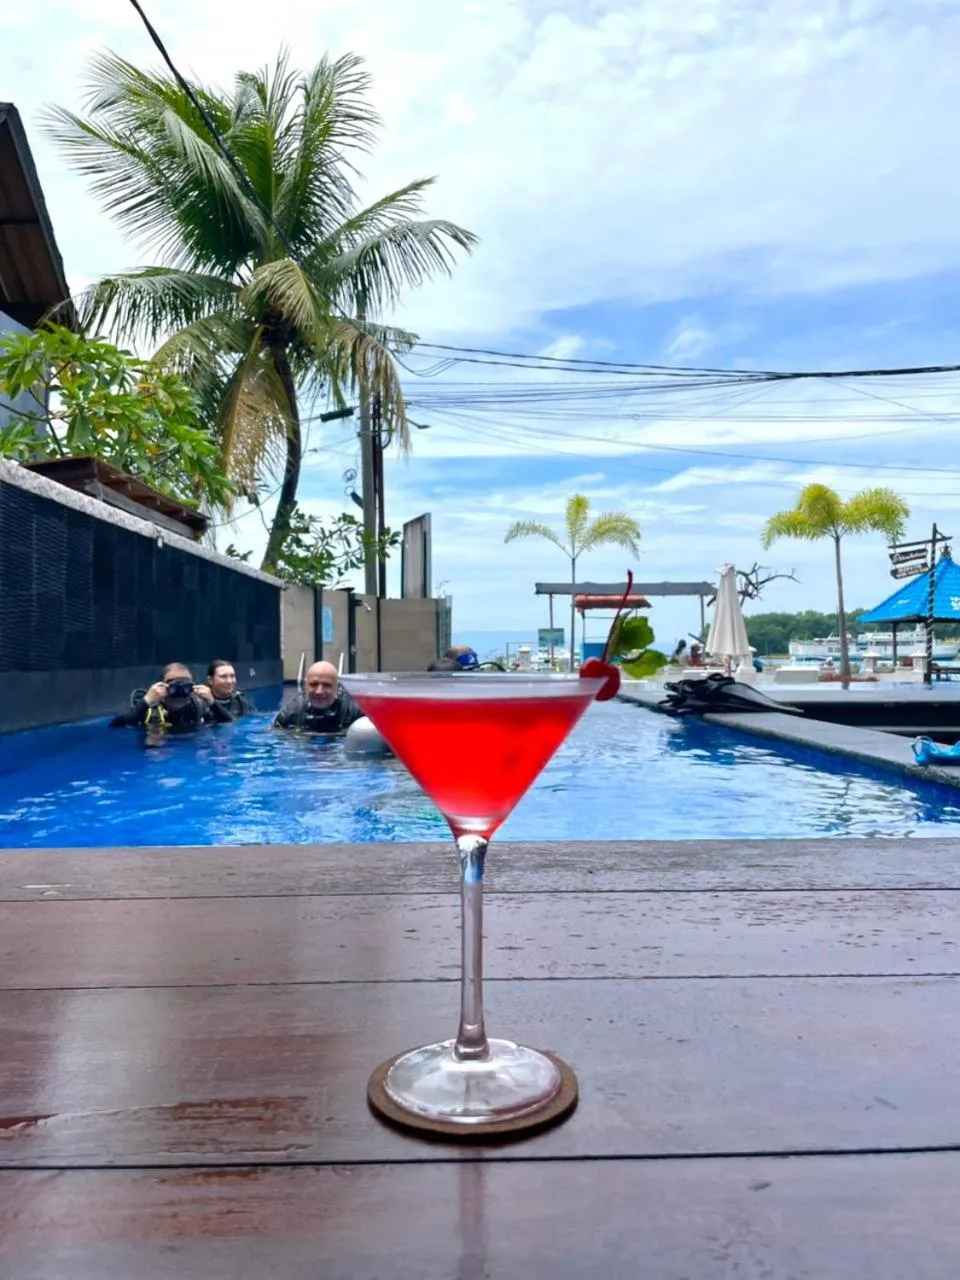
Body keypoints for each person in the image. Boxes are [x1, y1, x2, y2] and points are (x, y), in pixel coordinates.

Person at [111, 663, 229, 729]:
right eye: (173, 687)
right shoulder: (147, 705)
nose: (179, 693)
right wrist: (146, 702)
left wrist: (212, 702)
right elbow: (116, 725)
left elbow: (228, 723)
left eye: (186, 688)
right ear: (160, 686)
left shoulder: (197, 706)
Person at [274, 660, 364, 734]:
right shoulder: (291, 714)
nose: (319, 691)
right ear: (305, 686)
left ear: (338, 687)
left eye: (326, 685)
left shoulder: (354, 713)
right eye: (313, 684)